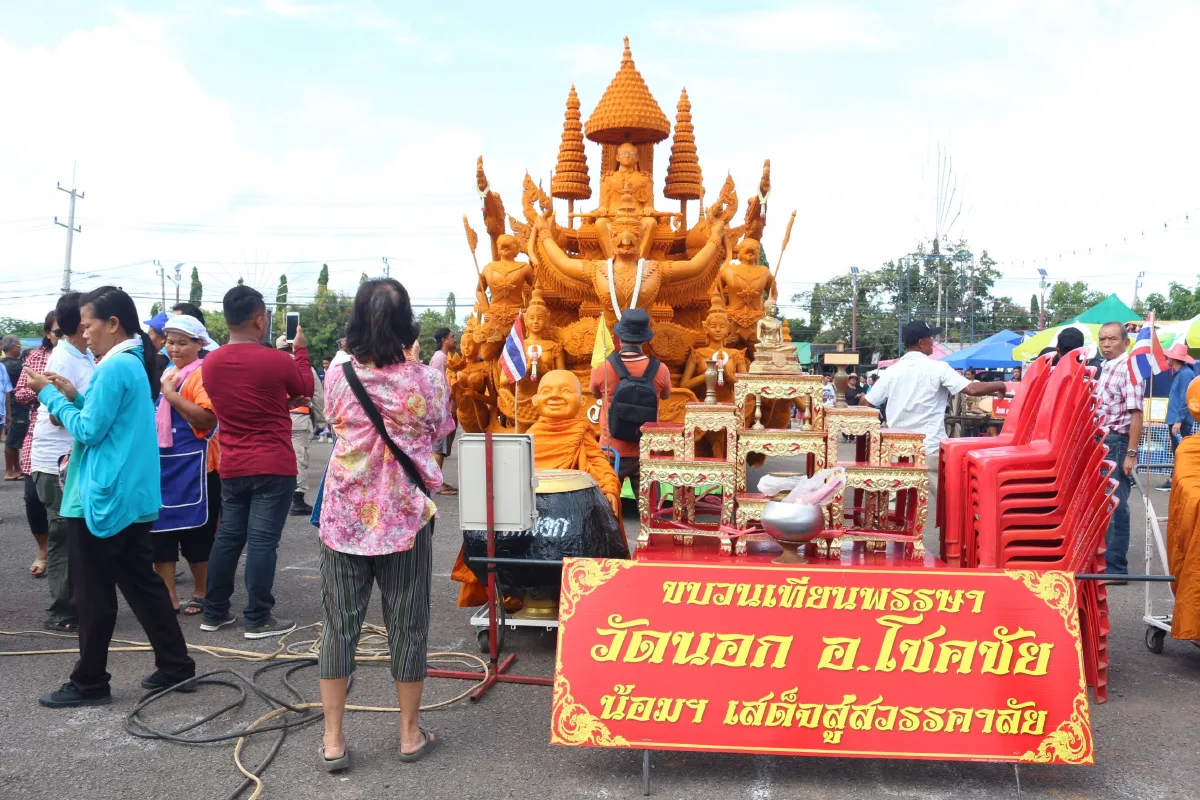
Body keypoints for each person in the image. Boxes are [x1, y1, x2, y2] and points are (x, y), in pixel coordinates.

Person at [26, 286, 195, 707]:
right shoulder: (133, 359)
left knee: (93, 593)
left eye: (88, 325)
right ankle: (176, 665)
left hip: (103, 496)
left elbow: (88, 431)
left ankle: (90, 682)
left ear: (113, 323)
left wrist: (47, 393)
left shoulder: (115, 365)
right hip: (128, 494)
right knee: (141, 583)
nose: (84, 335)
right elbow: (106, 420)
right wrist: (72, 395)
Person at [316, 278, 454, 770]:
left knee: (338, 626)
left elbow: (332, 421)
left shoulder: (337, 376)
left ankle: (333, 740)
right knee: (408, 626)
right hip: (404, 520)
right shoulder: (428, 380)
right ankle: (409, 735)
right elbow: (440, 431)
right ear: (407, 324)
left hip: (344, 517)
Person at [201, 287, 313, 638]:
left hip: (233, 463)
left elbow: (239, 402)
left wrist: (280, 399)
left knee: (228, 538)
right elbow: (305, 388)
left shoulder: (211, 361)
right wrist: (300, 350)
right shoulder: (278, 360)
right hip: (273, 463)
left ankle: (214, 612)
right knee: (263, 542)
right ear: (260, 318)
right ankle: (258, 617)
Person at [860, 321, 1006, 555]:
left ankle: (888, 553)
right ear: (921, 342)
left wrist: (879, 427)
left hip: (897, 450)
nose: (934, 343)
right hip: (929, 448)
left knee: (895, 505)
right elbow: (971, 390)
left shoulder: (891, 372)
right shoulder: (938, 368)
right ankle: (954, 551)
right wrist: (1000, 384)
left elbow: (866, 403)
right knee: (948, 505)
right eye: (931, 339)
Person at [29, 293, 96, 633]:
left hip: (72, 457)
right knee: (63, 534)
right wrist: (86, 409)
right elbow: (56, 415)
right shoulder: (65, 358)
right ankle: (60, 610)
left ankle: (76, 601)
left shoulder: (82, 355)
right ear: (79, 323)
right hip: (56, 461)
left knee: (75, 533)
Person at [153, 315, 221, 614]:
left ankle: (201, 590)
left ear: (199, 344)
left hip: (199, 467)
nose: (175, 349)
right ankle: (168, 595)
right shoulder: (170, 372)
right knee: (161, 532)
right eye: (170, 343)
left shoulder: (201, 375)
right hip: (164, 465)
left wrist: (169, 395)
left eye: (182, 343)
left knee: (198, 533)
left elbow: (207, 419)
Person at [588, 309, 671, 499]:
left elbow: (594, 393)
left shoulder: (604, 368)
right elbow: (666, 395)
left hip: (611, 450)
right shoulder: (660, 369)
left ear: (619, 337)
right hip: (646, 451)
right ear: (644, 339)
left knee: (606, 507)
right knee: (649, 510)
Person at [1094, 321, 1143, 583]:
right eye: (1102, 339)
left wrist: (1131, 453)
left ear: (1126, 342)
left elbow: (1137, 413)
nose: (1106, 344)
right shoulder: (1105, 367)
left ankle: (1116, 568)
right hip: (1102, 441)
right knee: (1103, 504)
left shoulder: (1129, 368)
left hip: (1117, 441)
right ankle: (1105, 564)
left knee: (1115, 504)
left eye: (1112, 339)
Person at [14, 313, 56, 577]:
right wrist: (45, 388)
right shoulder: (37, 357)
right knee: (33, 497)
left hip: (74, 436)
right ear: (47, 332)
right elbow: (20, 393)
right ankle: (44, 549)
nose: (59, 337)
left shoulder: (89, 355)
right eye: (55, 331)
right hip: (37, 435)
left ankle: (68, 554)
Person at [275, 335, 326, 516]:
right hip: (299, 418)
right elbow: (317, 395)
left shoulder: (272, 364)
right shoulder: (303, 366)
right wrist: (321, 420)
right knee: (299, 457)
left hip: (275, 419)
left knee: (276, 457)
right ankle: (297, 500)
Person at [1160, 341, 1197, 492]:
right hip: (1178, 419)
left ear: (1174, 359)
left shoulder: (1185, 374)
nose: (1166, 359)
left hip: (1179, 420)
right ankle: (1174, 477)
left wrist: (1178, 421)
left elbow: (1185, 399)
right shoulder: (1183, 373)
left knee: (1180, 451)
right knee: (1178, 450)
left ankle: (1177, 479)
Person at [428, 327, 458, 496]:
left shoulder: (447, 358)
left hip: (448, 408)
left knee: (443, 447)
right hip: (443, 409)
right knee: (439, 447)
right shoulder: (440, 358)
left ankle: (438, 480)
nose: (455, 340)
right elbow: (439, 386)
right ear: (444, 340)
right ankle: (436, 483)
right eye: (452, 337)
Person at [3, 334, 27, 480]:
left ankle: (16, 468)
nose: (20, 348)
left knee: (15, 437)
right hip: (15, 406)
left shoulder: (3, 364)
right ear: (13, 348)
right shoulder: (15, 366)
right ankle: (9, 471)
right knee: (12, 438)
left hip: (9, 406)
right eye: (19, 346)